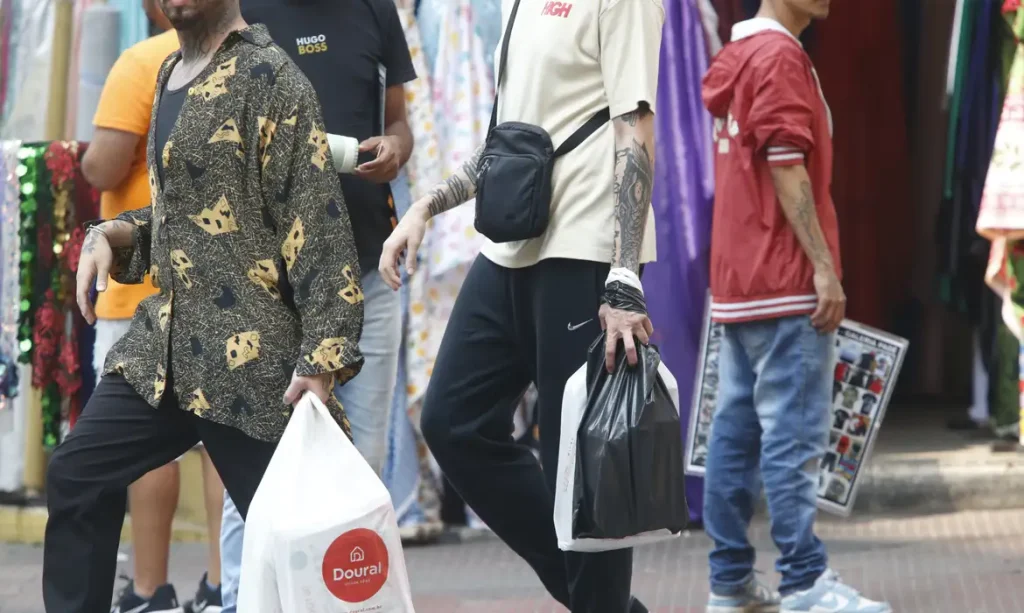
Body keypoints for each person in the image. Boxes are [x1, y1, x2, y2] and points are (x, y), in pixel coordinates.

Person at [42, 0, 364, 610]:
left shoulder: (272, 78)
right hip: (165, 351)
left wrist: (322, 361)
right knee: (77, 475)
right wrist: (113, 234)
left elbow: (318, 228)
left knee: (306, 547)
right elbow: (184, 219)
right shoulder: (170, 73)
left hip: (253, 366)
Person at [379, 0, 664, 610]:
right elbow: (506, 139)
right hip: (510, 243)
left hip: (585, 249)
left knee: (583, 465)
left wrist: (623, 276)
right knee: (452, 422)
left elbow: (634, 129)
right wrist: (427, 206)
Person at [214, 0, 415, 607]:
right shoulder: (240, 10)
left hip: (369, 270)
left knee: (361, 467)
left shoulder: (374, 8)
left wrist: (395, 147)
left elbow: (399, 121)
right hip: (271, 286)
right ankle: (243, 600)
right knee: (259, 472)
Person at [699, 1, 892, 612]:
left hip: (740, 277)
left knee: (734, 433)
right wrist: (824, 268)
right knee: (793, 437)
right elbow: (787, 166)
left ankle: (729, 581)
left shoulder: (739, 54)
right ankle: (805, 583)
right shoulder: (779, 56)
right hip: (785, 278)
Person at [80, 2, 225, 610]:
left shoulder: (142, 60)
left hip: (140, 282)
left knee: (141, 438)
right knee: (219, 441)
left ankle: (147, 589)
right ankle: (222, 585)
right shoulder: (243, 58)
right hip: (215, 284)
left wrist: (82, 158)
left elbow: (104, 165)